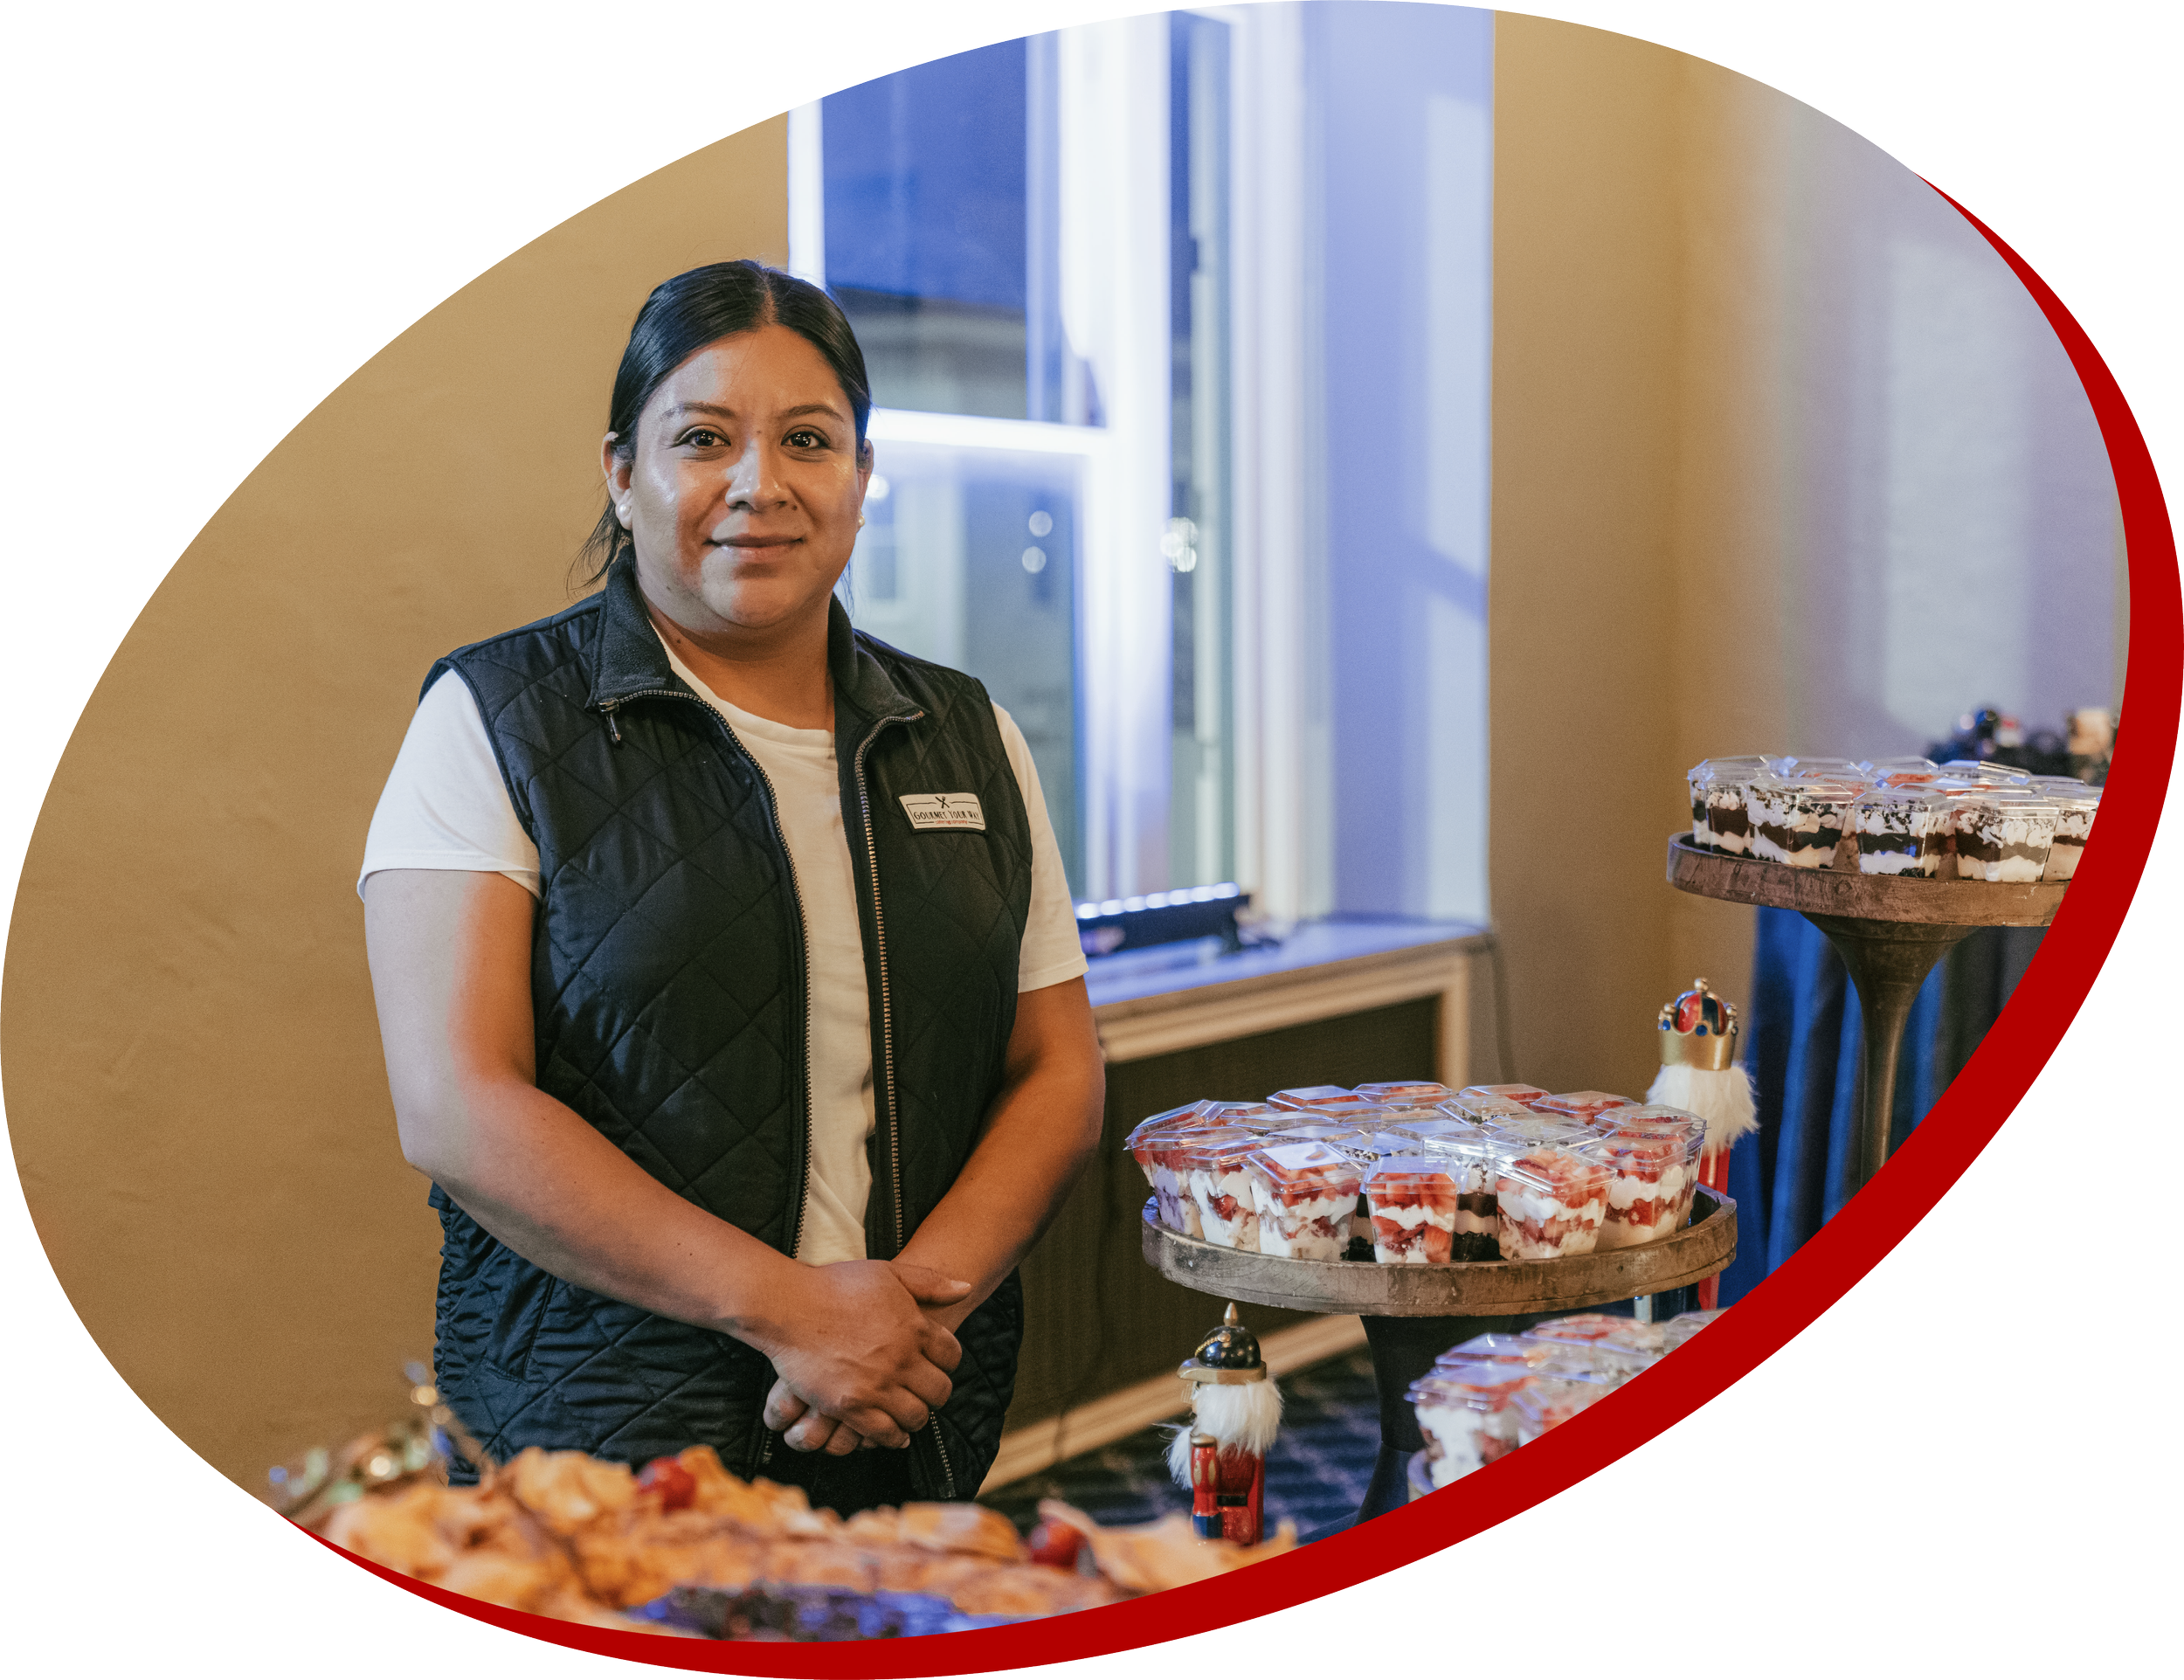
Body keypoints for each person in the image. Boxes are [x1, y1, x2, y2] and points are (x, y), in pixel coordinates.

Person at [359, 260, 1105, 1514]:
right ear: (622, 470)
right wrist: (797, 1313)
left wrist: (896, 1327)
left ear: (861, 480)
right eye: (702, 438)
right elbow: (455, 1103)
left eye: (808, 440)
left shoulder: (966, 733)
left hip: (906, 1423)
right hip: (597, 1450)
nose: (759, 484)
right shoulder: (494, 720)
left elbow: (1057, 1069)